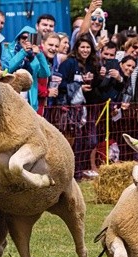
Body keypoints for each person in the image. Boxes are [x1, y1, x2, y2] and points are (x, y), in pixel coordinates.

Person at [58, 34, 101, 180]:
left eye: (88, 47)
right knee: (71, 141)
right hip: (69, 109)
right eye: (82, 47)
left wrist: (97, 78)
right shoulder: (69, 63)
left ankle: (79, 170)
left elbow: (97, 87)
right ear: (76, 48)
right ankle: (69, 173)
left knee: (87, 141)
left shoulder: (92, 65)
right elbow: (61, 84)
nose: (85, 50)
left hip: (85, 109)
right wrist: (79, 87)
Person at [2, 26, 50, 112]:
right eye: (23, 37)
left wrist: (39, 54)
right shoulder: (9, 51)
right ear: (18, 38)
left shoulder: (35, 56)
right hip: (11, 101)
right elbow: (8, 69)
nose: (26, 40)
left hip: (30, 104)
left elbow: (45, 73)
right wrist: (23, 52)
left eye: (29, 38)